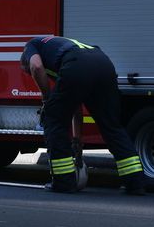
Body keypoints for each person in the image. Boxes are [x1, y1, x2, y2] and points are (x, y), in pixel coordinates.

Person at [20, 36, 145, 195]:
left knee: (52, 119)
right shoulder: (58, 51)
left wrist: (46, 99)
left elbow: (36, 67)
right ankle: (135, 183)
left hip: (78, 64)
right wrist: (77, 140)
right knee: (112, 126)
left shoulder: (31, 46)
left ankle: (63, 182)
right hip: (103, 64)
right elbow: (75, 104)